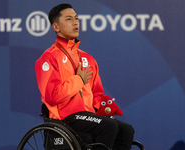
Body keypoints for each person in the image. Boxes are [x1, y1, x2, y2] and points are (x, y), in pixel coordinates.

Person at [35, 3, 134, 150]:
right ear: (56, 27)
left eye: (76, 18)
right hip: (65, 118)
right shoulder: (49, 58)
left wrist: (99, 110)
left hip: (87, 115)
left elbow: (97, 93)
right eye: (69, 19)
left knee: (126, 130)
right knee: (109, 126)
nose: (75, 22)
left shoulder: (88, 58)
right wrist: (79, 80)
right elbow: (52, 96)